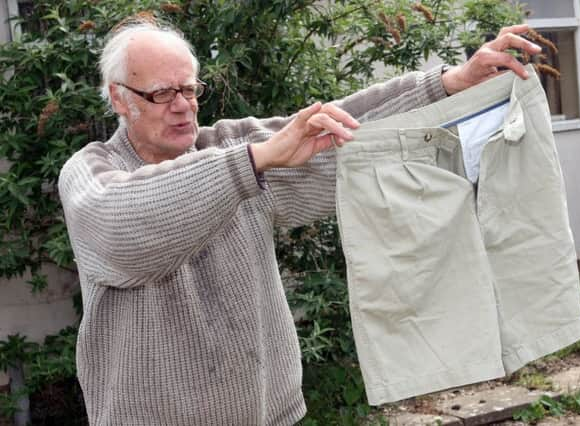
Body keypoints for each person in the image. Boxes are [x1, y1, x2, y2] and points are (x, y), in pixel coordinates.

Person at [58, 14, 541, 425]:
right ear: (120, 98)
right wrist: (253, 162)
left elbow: (342, 128)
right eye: (162, 93)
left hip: (271, 413)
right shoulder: (92, 173)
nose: (183, 105)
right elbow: (125, 228)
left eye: (189, 88)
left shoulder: (230, 145)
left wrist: (449, 85)